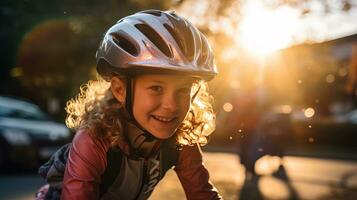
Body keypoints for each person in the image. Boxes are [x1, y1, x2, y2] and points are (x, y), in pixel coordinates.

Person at [36, 10, 222, 200]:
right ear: (120, 90)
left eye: (183, 90)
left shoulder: (179, 138)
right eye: (156, 88)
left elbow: (202, 193)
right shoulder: (94, 139)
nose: (171, 105)